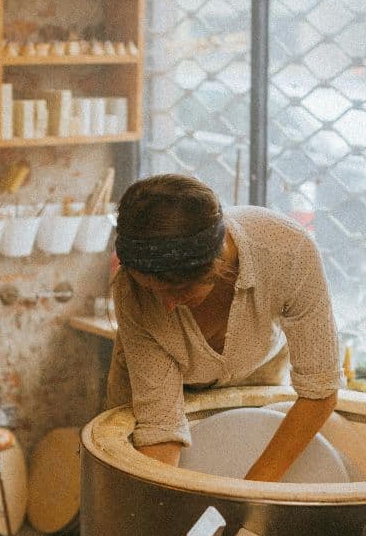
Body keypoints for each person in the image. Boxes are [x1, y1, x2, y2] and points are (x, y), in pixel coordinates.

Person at [105, 174, 341, 482]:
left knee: (243, 457)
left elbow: (320, 391)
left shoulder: (289, 253)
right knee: (134, 491)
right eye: (151, 290)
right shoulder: (131, 292)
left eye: (178, 291)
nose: (166, 306)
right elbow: (160, 426)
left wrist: (251, 492)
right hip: (151, 386)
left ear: (217, 264)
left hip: (255, 365)